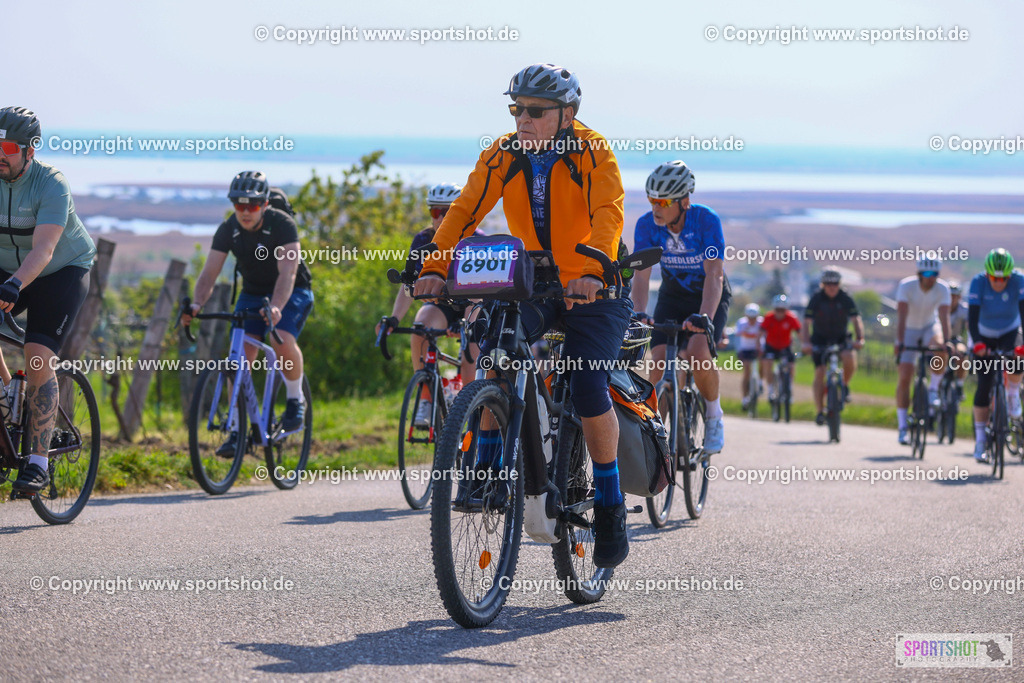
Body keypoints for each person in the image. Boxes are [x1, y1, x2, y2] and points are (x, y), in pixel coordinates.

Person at [414, 63, 634, 568]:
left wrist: (597, 269)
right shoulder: (503, 152)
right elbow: (464, 211)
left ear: (567, 113)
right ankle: (488, 464)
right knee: (495, 352)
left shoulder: (592, 150)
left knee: (585, 384)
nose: (523, 120)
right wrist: (433, 265)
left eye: (535, 111)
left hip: (595, 286)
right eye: (517, 109)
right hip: (534, 281)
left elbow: (608, 212)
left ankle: (608, 501)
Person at [0, 106, 97, 493]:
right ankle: (8, 394)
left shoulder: (51, 184)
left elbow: (44, 249)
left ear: (30, 150)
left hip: (60, 270)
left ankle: (38, 462)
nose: (0, 154)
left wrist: (14, 285)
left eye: (8, 146)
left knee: (37, 352)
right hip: (8, 268)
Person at [183, 171, 313, 454]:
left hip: (291, 292)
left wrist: (277, 306)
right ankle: (238, 430)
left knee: (281, 340)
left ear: (265, 204)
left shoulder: (283, 225)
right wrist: (196, 304)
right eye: (238, 205)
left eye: (252, 205)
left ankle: (295, 400)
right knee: (238, 356)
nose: (244, 211)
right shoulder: (229, 229)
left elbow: (288, 273)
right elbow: (209, 273)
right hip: (252, 293)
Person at [631, 160, 731, 454]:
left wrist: (705, 318)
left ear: (684, 201)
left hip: (708, 295)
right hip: (673, 295)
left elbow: (714, 274)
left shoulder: (706, 221)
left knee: (698, 353)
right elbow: (641, 274)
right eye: (652, 200)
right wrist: (639, 312)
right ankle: (658, 438)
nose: (656, 208)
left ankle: (714, 416)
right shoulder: (646, 225)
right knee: (659, 366)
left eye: (663, 201)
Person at [375, 183, 479, 427]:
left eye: (448, 212)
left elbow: (482, 292)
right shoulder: (423, 240)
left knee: (471, 348)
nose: (441, 218)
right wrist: (394, 319)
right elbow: (409, 284)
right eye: (435, 212)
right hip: (441, 303)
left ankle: (471, 408)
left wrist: (467, 325)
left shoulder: (476, 239)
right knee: (421, 326)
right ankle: (426, 397)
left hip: (472, 302)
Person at [967, 248, 1024, 462]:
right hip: (984, 333)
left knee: (1019, 356)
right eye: (994, 278)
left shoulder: (1019, 281)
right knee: (984, 383)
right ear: (987, 274)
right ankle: (980, 441)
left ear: (1011, 275)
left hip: (1010, 330)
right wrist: (978, 344)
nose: (999, 282)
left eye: (1004, 278)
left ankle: (1012, 395)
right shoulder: (977, 282)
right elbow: (972, 320)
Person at [893, 254, 951, 445]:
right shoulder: (906, 286)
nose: (930, 277)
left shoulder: (943, 288)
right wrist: (900, 341)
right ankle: (902, 427)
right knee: (905, 376)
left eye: (934, 273)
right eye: (926, 273)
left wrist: (947, 341)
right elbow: (901, 315)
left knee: (940, 347)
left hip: (928, 326)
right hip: (908, 328)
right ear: (919, 273)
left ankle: (933, 388)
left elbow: (944, 317)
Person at [800, 266, 865, 426]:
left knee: (849, 357)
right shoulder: (816, 298)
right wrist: (806, 342)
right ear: (823, 284)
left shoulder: (845, 298)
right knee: (820, 373)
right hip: (820, 340)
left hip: (841, 338)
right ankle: (819, 410)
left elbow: (856, 319)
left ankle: (844, 385)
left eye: (835, 283)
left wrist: (860, 338)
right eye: (828, 283)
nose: (832, 287)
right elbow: (806, 323)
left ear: (839, 284)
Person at [759, 294, 801, 395]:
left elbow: (799, 333)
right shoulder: (769, 317)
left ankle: (789, 386)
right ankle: (770, 389)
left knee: (791, 365)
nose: (780, 313)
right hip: (771, 346)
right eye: (777, 310)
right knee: (767, 364)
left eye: (782, 310)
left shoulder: (791, 318)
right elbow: (760, 333)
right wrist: (758, 345)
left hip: (785, 346)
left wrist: (802, 345)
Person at [735, 303, 762, 410]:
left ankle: (760, 383)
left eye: (754, 318)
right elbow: (738, 333)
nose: (752, 320)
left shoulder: (761, 322)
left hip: (758, 348)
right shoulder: (742, 322)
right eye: (750, 318)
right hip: (745, 349)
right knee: (746, 371)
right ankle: (745, 398)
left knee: (764, 363)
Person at [947, 280, 969, 394]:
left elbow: (969, 326)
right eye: (949, 296)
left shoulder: (964, 309)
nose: (952, 299)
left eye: (954, 296)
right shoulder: (940, 308)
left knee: (962, 353)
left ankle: (959, 384)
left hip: (956, 339)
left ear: (959, 297)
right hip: (941, 340)